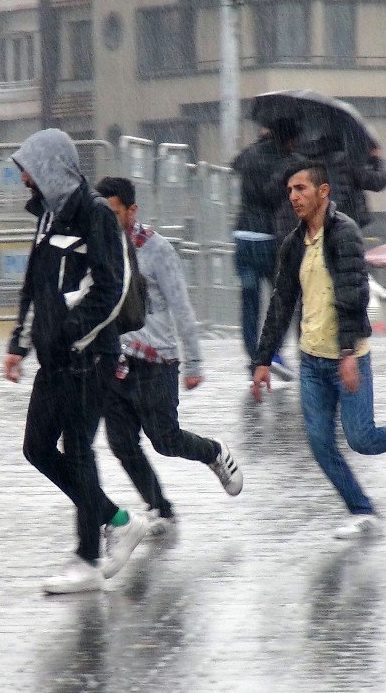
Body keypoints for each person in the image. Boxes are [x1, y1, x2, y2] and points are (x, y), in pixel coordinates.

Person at [250, 158, 386, 540]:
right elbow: (281, 301)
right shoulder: (294, 243)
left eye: (301, 189)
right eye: (290, 190)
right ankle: (363, 511)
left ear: (323, 192)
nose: (293, 196)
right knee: (320, 445)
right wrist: (262, 359)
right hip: (312, 361)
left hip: (349, 356)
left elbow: (353, 295)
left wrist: (347, 354)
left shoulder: (344, 234)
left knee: (362, 438)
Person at [3, 129, 148, 594]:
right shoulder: (47, 216)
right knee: (37, 448)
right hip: (56, 358)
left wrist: (70, 336)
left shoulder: (96, 217)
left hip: (89, 357)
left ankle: (87, 559)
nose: (22, 176)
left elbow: (111, 289)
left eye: (27, 165)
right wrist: (19, 344)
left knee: (78, 451)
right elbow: (36, 287)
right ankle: (117, 520)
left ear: (49, 166)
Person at [95, 177, 243, 533]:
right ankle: (160, 508)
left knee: (165, 440)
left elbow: (180, 305)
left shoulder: (156, 249)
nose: (105, 219)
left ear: (132, 211)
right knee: (121, 442)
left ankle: (212, 452)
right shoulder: (96, 246)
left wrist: (193, 361)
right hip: (113, 360)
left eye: (113, 212)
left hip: (155, 361)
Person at [231, 123, 299, 379]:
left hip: (242, 235)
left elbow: (235, 164)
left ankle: (253, 357)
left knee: (249, 301)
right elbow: (272, 195)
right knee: (283, 298)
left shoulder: (249, 154)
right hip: (269, 237)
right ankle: (273, 353)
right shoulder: (285, 160)